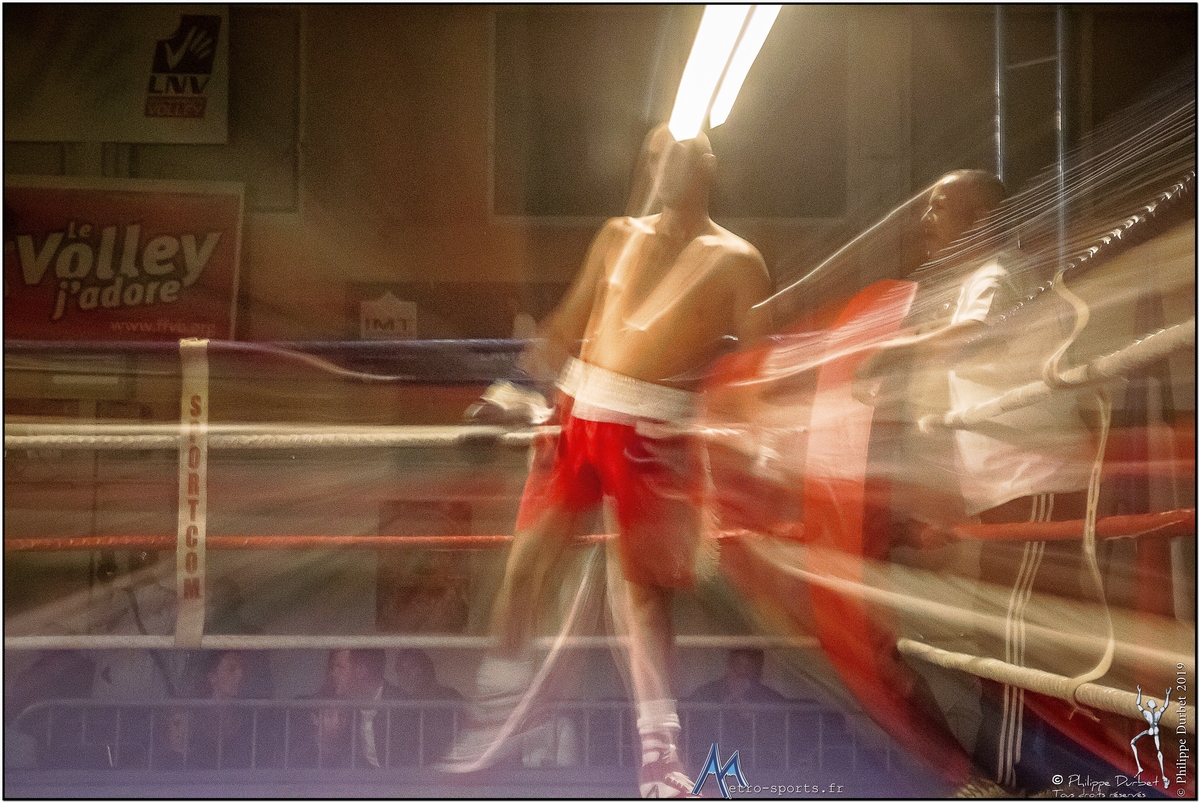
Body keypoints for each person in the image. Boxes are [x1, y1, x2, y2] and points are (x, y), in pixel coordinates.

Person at [447, 127, 773, 798]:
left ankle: (661, 755)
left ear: (709, 163)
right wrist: (509, 391)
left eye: (681, 152)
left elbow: (759, 365)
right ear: (647, 165)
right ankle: (496, 718)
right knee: (524, 567)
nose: (666, 163)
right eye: (656, 154)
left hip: (652, 427)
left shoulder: (739, 260)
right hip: (578, 411)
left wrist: (755, 438)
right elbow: (566, 324)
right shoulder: (616, 235)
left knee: (642, 593)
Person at [290, 648, 408, 769]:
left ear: (361, 670)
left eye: (340, 667)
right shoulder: (341, 706)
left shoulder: (404, 707)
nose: (333, 674)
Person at [685, 649, 791, 771]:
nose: (742, 673)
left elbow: (779, 741)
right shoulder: (705, 694)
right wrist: (723, 707)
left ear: (757, 671)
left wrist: (753, 718)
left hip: (758, 768)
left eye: (749, 668)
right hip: (711, 766)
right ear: (729, 667)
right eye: (738, 666)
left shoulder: (771, 699)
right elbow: (693, 732)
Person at [391, 649, 463, 766]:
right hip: (411, 768)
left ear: (425, 669)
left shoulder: (450, 697)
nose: (405, 674)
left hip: (445, 765)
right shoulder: (399, 702)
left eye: (411, 667)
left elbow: (459, 733)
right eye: (401, 670)